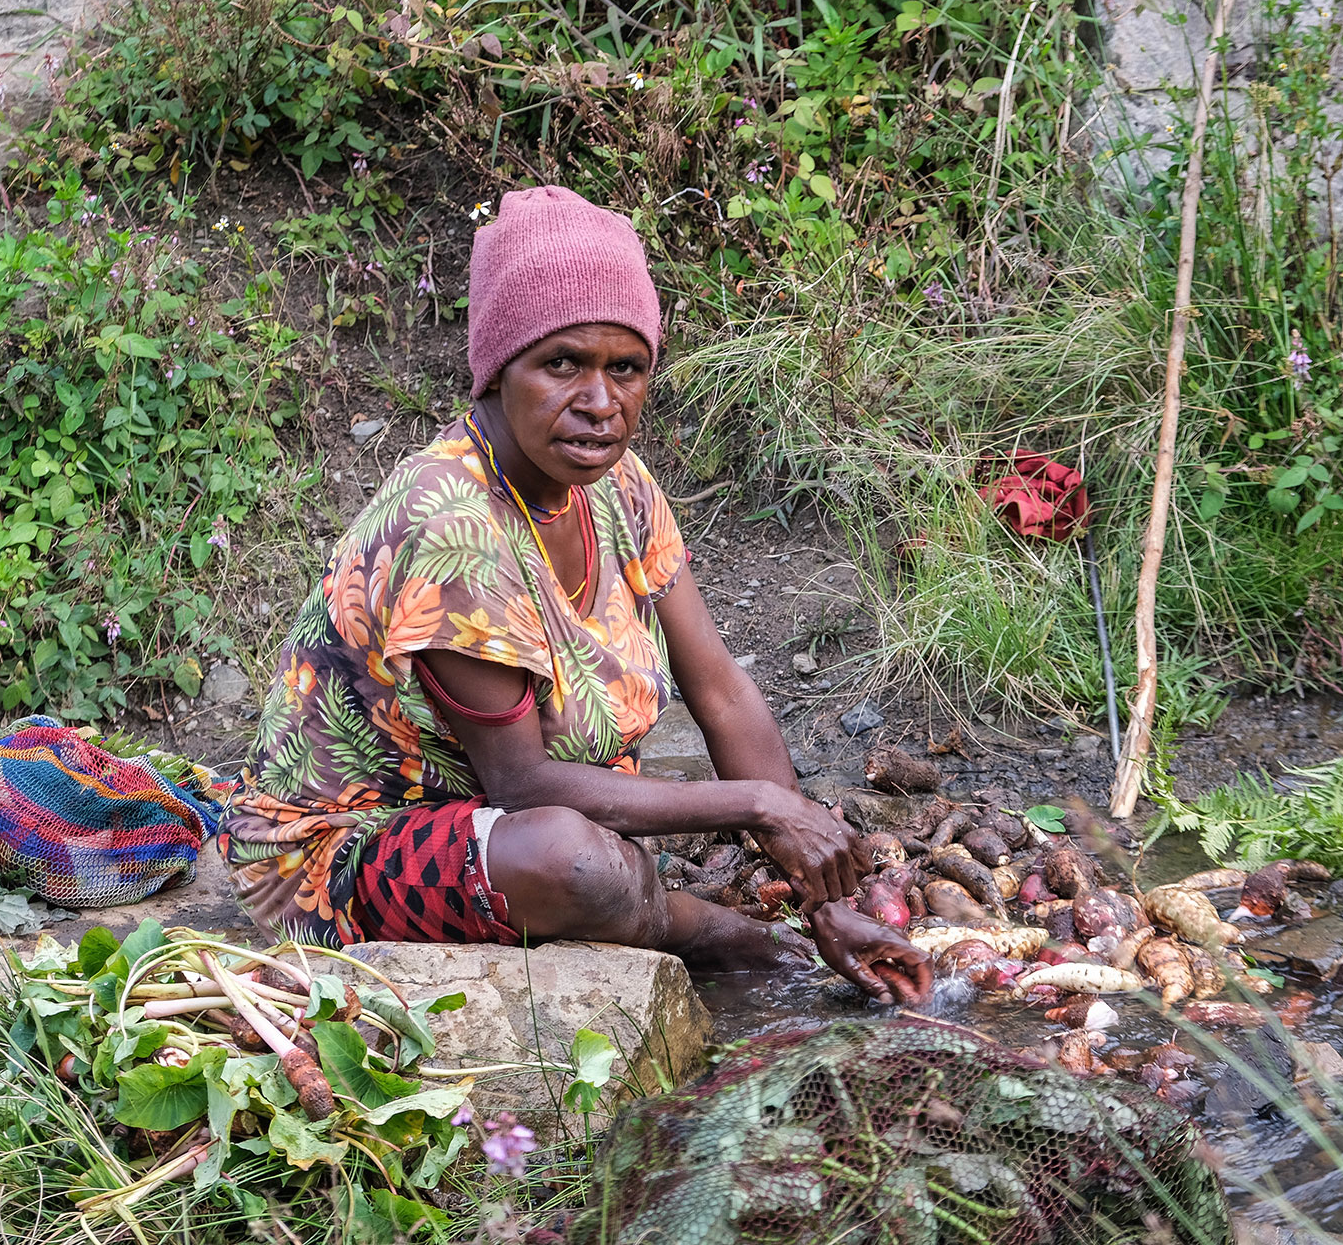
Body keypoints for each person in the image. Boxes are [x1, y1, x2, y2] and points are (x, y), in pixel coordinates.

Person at [218, 185, 931, 1006]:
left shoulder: (618, 487)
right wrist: (764, 810)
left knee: (590, 854)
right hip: (350, 857)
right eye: (563, 364)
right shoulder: (449, 521)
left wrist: (827, 901)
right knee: (575, 861)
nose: (601, 405)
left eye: (625, 369)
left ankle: (688, 915)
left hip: (501, 823)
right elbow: (523, 786)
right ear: (496, 372)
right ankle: (708, 933)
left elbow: (722, 690)